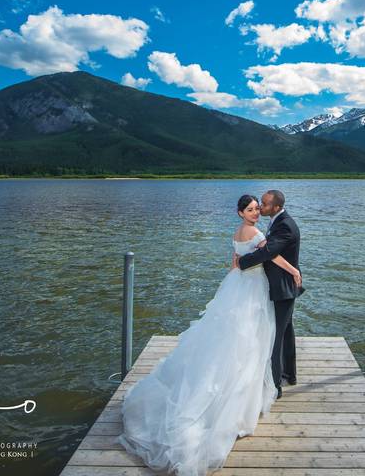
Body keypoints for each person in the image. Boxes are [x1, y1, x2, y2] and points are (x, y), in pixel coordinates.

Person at [117, 194, 302, 476]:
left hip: (241, 285)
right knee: (251, 338)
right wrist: (294, 270)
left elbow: (237, 260)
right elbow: (268, 255)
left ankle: (280, 376)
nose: (256, 212)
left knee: (246, 336)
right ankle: (260, 388)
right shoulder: (254, 231)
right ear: (241, 212)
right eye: (251, 209)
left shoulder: (240, 231)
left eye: (258, 208)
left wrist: (234, 274)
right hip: (252, 289)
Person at [232, 189, 303, 398]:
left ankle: (275, 385)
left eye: (263, 205)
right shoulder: (277, 222)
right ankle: (288, 374)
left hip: (282, 288)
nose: (260, 209)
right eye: (255, 207)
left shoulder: (285, 226)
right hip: (278, 286)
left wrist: (241, 263)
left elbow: (269, 252)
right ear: (241, 213)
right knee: (285, 331)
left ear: (277, 207)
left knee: (276, 335)